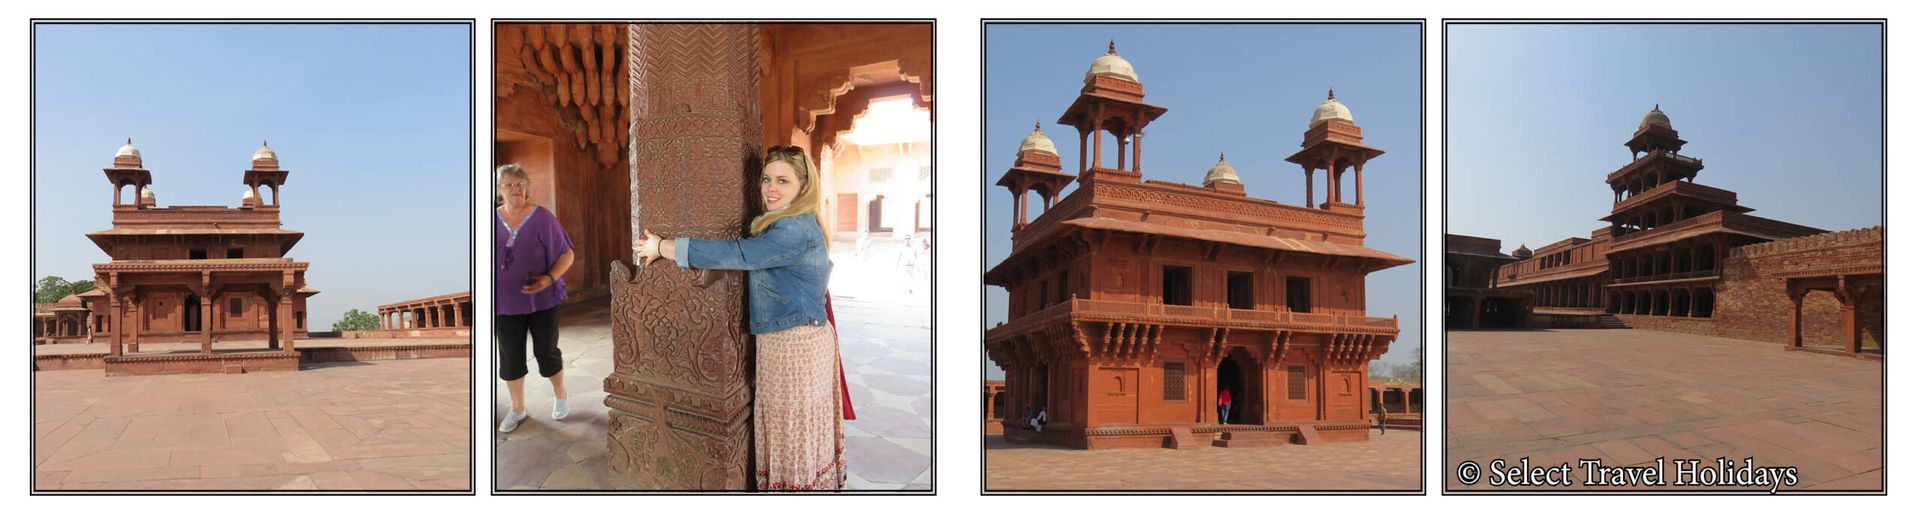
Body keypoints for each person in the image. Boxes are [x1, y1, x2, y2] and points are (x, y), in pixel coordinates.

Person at [635, 145, 844, 491]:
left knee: (791, 429)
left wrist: (664, 247)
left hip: (795, 345)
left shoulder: (793, 231)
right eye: (766, 179)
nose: (771, 188)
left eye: (783, 181)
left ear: (803, 189)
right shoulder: (795, 224)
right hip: (797, 339)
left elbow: (739, 254)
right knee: (795, 428)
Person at [495, 164, 575, 433]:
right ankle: (518, 409)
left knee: (546, 351)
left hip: (543, 300)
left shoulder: (542, 217)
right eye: (509, 184)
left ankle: (560, 394)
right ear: (499, 190)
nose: (516, 189)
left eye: (520, 184)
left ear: (526, 188)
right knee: (509, 357)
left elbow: (567, 255)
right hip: (504, 303)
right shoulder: (490, 221)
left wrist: (548, 278)